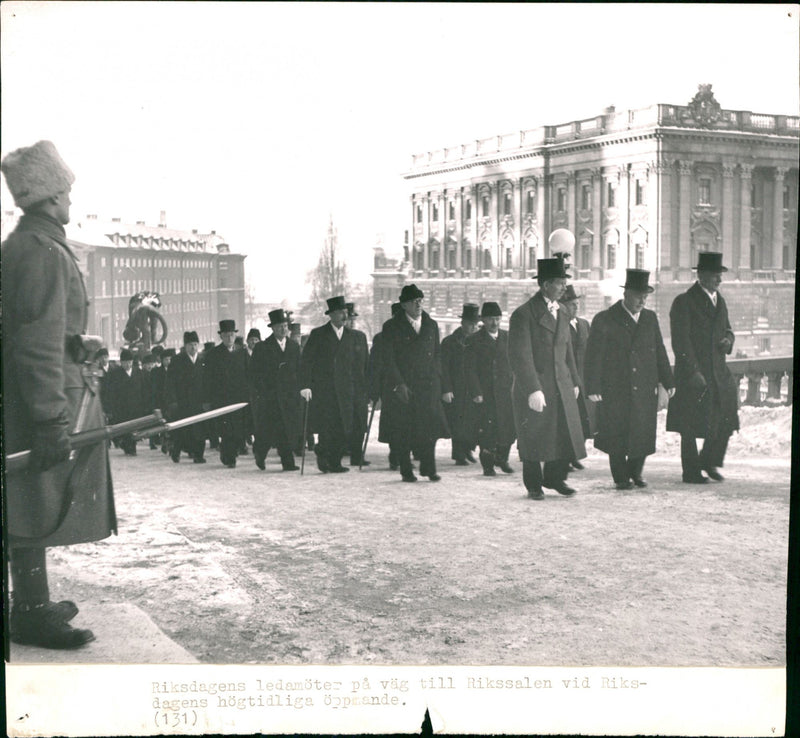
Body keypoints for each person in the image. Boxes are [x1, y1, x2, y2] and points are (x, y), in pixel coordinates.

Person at [2, 140, 115, 649]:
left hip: (27, 397)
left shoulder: (28, 245)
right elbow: (34, 345)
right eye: (66, 191)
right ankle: (29, 613)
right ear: (49, 197)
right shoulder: (43, 252)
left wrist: (78, 339)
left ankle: (29, 603)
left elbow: (36, 329)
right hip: (36, 404)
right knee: (29, 504)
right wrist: (51, 419)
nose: (71, 199)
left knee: (26, 504)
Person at [584, 270, 675, 489]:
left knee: (642, 431)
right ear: (626, 295)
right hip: (616, 387)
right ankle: (621, 477)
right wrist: (593, 386)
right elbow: (593, 356)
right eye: (637, 296)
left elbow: (659, 351)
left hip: (644, 386)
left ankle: (635, 471)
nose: (642, 301)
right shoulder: (605, 319)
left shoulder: (650, 318)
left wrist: (668, 380)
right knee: (617, 433)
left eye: (645, 297)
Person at [508, 258, 585, 500]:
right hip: (536, 386)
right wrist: (532, 389)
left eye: (564, 282)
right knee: (534, 435)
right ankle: (533, 484)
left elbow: (567, 351)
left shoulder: (562, 311)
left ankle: (555, 478)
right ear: (544, 285)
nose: (564, 287)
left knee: (563, 432)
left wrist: (573, 380)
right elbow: (520, 356)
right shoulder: (523, 315)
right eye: (560, 283)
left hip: (560, 384)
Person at [667, 252, 739, 484]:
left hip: (718, 372)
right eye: (715, 275)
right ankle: (690, 471)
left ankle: (709, 461)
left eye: (720, 275)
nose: (719, 280)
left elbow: (727, 328)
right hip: (693, 374)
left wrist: (729, 340)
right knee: (689, 425)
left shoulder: (720, 300)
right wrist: (692, 372)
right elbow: (681, 341)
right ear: (702, 275)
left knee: (726, 418)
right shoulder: (684, 302)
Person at [380, 284, 449, 482]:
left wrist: (437, 379)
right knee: (404, 430)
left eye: (420, 300)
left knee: (429, 429)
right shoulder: (391, 327)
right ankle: (406, 469)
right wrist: (399, 384)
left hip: (428, 386)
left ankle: (428, 468)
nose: (418, 304)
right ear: (403, 305)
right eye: (413, 301)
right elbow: (389, 360)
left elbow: (437, 355)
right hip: (405, 387)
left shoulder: (431, 324)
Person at [299, 296, 360, 473]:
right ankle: (323, 454)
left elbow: (355, 365)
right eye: (341, 312)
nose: (344, 315)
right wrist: (305, 385)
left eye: (345, 312)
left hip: (346, 390)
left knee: (343, 427)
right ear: (332, 315)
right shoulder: (319, 334)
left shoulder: (351, 336)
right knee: (328, 426)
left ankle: (335, 461)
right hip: (325, 390)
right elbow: (307, 361)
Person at [466, 302, 516, 476]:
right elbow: (470, 370)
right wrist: (476, 392)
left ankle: (503, 459)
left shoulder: (508, 337)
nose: (494, 323)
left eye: (497, 318)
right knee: (487, 430)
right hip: (485, 393)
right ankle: (488, 465)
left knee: (507, 428)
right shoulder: (474, 340)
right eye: (490, 319)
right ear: (483, 320)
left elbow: (515, 364)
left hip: (505, 392)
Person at [250, 309, 302, 471]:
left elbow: (299, 370)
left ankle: (288, 463)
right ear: (272, 328)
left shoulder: (293, 346)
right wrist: (262, 392)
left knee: (286, 429)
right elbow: (254, 373)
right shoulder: (262, 347)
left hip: (288, 396)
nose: (283, 329)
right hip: (270, 397)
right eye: (279, 326)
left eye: (285, 326)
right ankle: (260, 452)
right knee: (267, 430)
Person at [558, 285, 595, 469]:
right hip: (568, 380)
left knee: (582, 419)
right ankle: (566, 458)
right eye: (571, 304)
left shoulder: (583, 324)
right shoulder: (560, 326)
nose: (575, 308)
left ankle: (574, 455)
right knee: (569, 420)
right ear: (562, 306)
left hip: (583, 379)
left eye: (577, 304)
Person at [203, 319, 249, 467]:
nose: (229, 338)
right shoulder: (213, 355)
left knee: (238, 429)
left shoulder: (242, 352)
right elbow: (207, 380)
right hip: (221, 399)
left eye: (231, 335)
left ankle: (230, 451)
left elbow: (249, 374)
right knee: (227, 430)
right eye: (226, 335)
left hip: (239, 398)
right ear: (221, 337)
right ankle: (229, 456)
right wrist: (207, 400)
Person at [441, 303, 480, 465]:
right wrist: (446, 389)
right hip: (455, 388)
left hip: (472, 388)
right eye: (470, 324)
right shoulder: (449, 342)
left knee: (472, 420)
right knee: (457, 421)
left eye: (475, 324)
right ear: (462, 323)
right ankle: (458, 454)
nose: (473, 327)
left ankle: (468, 449)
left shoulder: (477, 342)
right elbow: (443, 368)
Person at [370, 302, 403, 470]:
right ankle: (395, 454)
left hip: (407, 386)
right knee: (394, 422)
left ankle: (402, 453)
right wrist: (374, 390)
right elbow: (375, 366)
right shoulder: (381, 338)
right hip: (390, 387)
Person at [166, 331, 206, 463]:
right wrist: (173, 400)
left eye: (195, 344)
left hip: (199, 401)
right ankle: (176, 451)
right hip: (183, 401)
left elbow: (207, 381)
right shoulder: (177, 361)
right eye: (190, 345)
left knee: (200, 428)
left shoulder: (202, 360)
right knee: (183, 429)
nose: (193, 348)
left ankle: (198, 455)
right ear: (185, 346)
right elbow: (170, 382)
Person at [106, 348, 146, 455]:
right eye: (125, 362)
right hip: (121, 407)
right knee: (125, 428)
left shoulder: (138, 372)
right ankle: (128, 446)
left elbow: (143, 389)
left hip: (136, 406)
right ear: (121, 362)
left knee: (134, 427)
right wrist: (111, 407)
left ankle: (131, 446)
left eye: (130, 362)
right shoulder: (115, 374)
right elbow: (111, 392)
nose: (128, 365)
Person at [345, 302, 370, 466]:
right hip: (344, 388)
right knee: (345, 421)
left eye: (352, 319)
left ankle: (356, 455)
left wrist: (369, 388)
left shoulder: (360, 337)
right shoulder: (338, 338)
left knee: (360, 423)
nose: (351, 322)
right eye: (348, 319)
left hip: (359, 388)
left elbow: (367, 365)